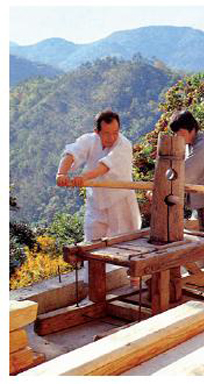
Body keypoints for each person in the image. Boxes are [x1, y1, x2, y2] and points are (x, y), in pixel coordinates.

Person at [56, 110, 141, 278]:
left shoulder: (124, 144)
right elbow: (71, 153)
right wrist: (61, 173)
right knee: (92, 244)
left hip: (120, 200)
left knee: (125, 244)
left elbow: (105, 166)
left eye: (115, 133)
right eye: (106, 133)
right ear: (97, 132)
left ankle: (130, 283)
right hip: (96, 200)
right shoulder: (89, 140)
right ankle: (92, 288)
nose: (111, 138)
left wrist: (83, 177)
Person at [168, 110, 204, 275]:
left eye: (182, 134)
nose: (180, 138)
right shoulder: (192, 144)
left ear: (192, 129)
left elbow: (187, 172)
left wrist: (163, 182)